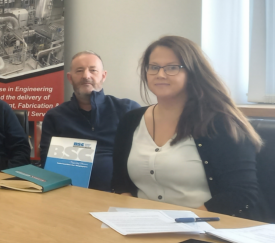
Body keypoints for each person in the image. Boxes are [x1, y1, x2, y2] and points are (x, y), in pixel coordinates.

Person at [111, 35, 264, 218]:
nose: (160, 74)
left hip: (206, 228)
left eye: (172, 68)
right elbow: (121, 182)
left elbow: (242, 194)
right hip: (142, 227)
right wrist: (128, 216)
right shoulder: (131, 120)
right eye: (154, 67)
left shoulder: (221, 123)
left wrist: (178, 223)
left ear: (192, 73)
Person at [39, 51, 140, 191]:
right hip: (67, 194)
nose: (86, 76)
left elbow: (143, 159)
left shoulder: (128, 110)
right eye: (79, 71)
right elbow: (47, 163)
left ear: (103, 76)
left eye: (93, 70)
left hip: (119, 194)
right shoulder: (55, 116)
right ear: (70, 78)